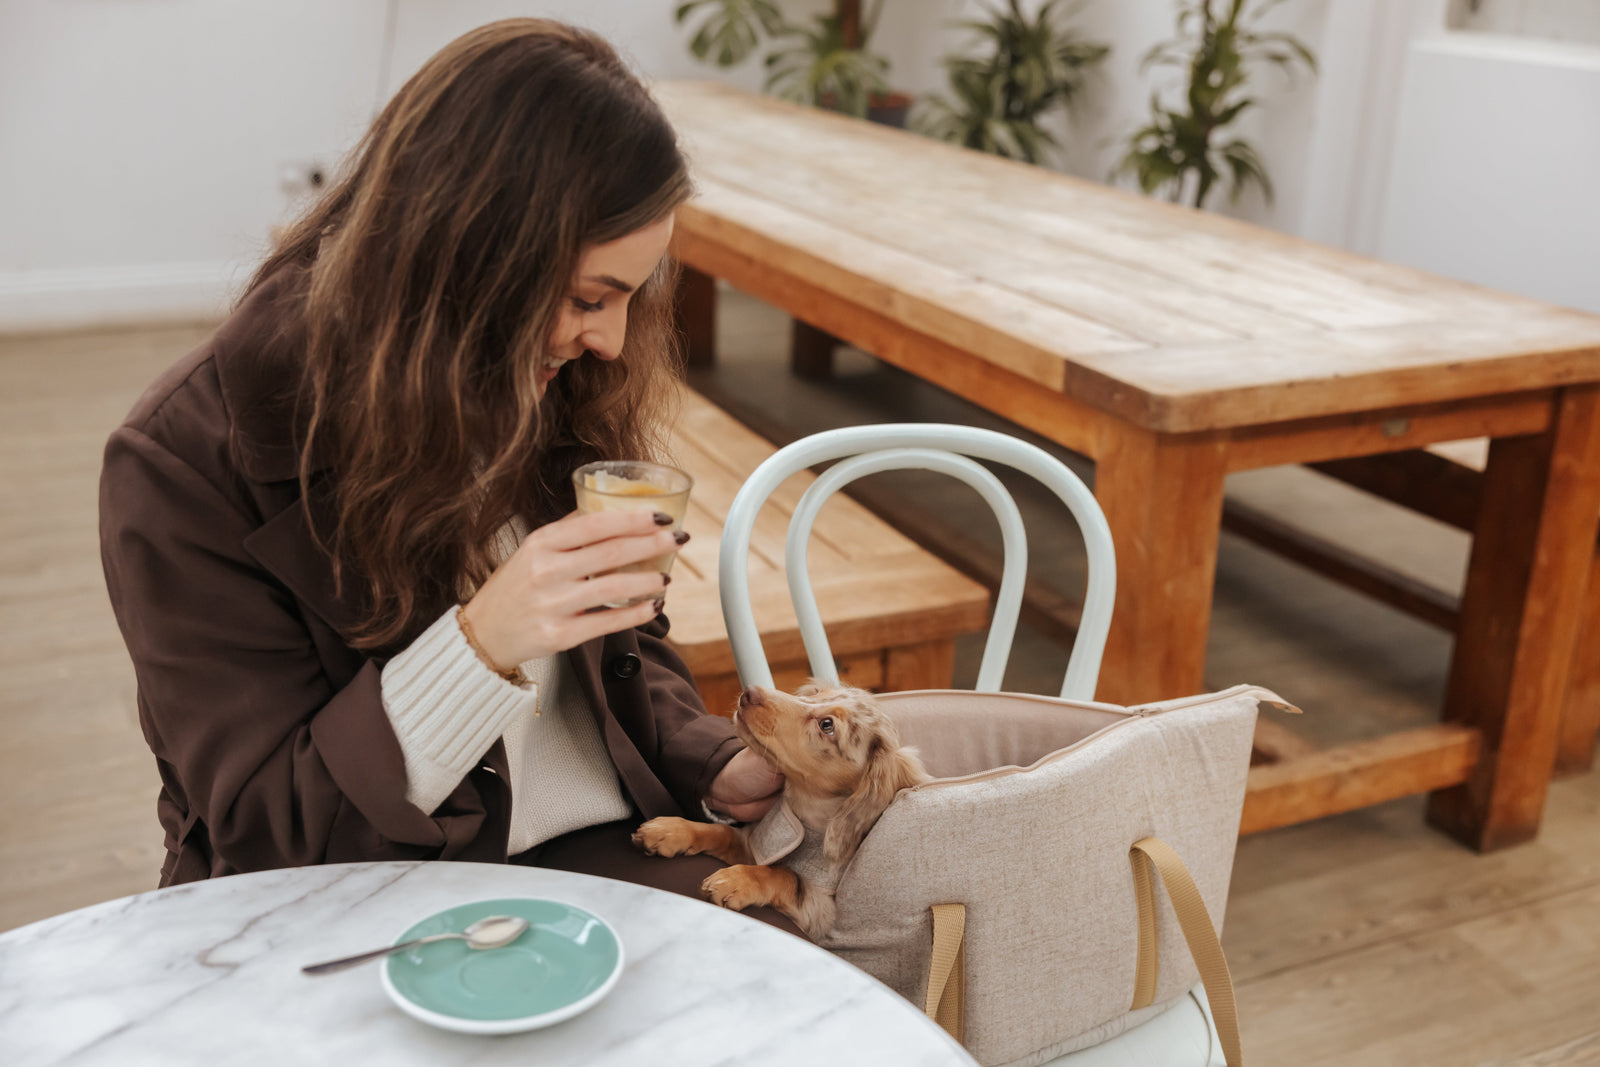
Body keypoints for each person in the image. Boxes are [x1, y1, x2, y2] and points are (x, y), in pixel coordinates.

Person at [97, 19, 792, 929]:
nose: (613, 342)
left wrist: (711, 758)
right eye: (589, 299)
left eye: (633, 294)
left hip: (593, 863)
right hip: (357, 902)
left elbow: (617, 650)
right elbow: (271, 833)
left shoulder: (542, 373)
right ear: (466, 257)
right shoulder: (184, 465)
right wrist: (479, 644)